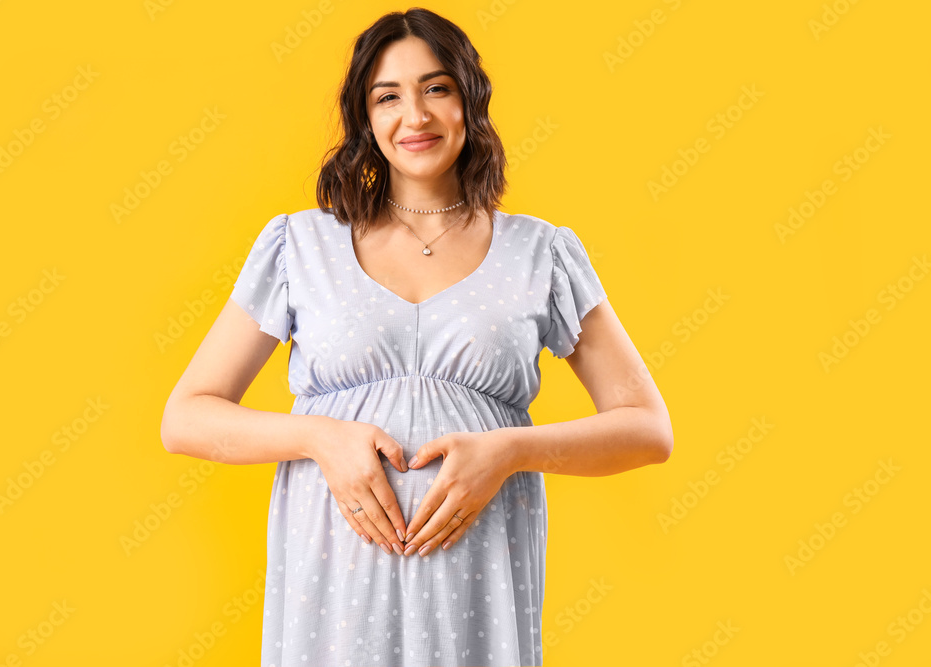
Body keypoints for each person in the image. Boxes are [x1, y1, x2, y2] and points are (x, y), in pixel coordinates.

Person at [161, 7, 673, 667]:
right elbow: (186, 417)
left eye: (436, 88)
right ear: (364, 119)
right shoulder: (298, 246)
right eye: (388, 96)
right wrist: (319, 436)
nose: (416, 116)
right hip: (333, 589)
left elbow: (647, 428)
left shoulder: (542, 253)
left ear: (470, 99)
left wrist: (510, 449)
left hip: (476, 583)